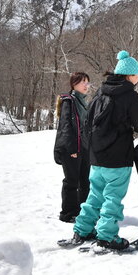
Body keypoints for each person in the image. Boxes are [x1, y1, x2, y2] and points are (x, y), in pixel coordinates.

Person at [69, 51, 138, 251]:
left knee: (95, 195)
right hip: (118, 158)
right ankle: (106, 237)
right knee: (112, 197)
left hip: (96, 157)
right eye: (137, 75)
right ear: (129, 75)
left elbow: (88, 122)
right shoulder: (129, 95)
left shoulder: (100, 92)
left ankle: (83, 230)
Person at [53, 71, 92, 223]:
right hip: (71, 149)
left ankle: (83, 211)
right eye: (83, 82)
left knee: (85, 181)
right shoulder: (69, 101)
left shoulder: (84, 102)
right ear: (74, 84)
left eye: (87, 82)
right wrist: (72, 149)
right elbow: (66, 126)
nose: (86, 85)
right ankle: (68, 213)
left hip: (84, 148)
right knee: (71, 181)